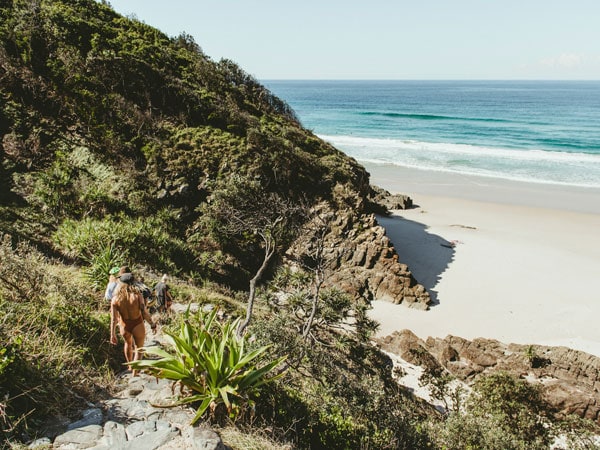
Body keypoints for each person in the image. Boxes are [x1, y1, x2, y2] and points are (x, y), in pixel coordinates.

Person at [110, 272, 157, 375]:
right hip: (137, 324)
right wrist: (152, 324)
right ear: (133, 283)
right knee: (139, 349)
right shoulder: (137, 295)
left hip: (124, 325)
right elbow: (144, 312)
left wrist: (112, 334)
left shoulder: (115, 299)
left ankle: (130, 367)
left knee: (128, 344)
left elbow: (114, 318)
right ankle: (135, 372)